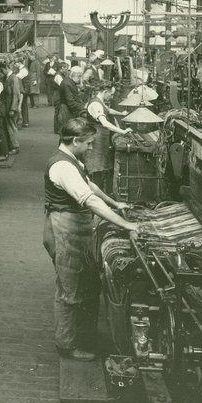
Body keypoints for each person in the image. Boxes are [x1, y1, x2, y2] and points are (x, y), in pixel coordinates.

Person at [44, 119, 140, 361]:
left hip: (76, 227)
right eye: (87, 144)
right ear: (74, 141)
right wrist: (126, 224)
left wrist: (115, 203)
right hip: (66, 229)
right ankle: (66, 346)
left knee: (80, 283)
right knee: (69, 290)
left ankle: (81, 337)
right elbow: (89, 199)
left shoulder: (71, 159)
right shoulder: (62, 167)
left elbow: (91, 186)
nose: (90, 148)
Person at [85, 83, 128, 193]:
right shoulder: (96, 104)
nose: (112, 97)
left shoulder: (99, 101)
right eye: (111, 94)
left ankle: (99, 192)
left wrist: (121, 114)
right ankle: (95, 192)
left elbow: (108, 110)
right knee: (96, 166)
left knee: (101, 164)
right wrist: (122, 131)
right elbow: (105, 123)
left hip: (101, 136)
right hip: (96, 137)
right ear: (105, 92)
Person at [52, 61, 86, 136]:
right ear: (74, 74)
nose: (80, 78)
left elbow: (74, 98)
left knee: (67, 132)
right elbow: (71, 102)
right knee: (66, 133)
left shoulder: (70, 81)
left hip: (67, 108)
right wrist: (84, 107)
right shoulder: (67, 84)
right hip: (65, 110)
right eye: (79, 76)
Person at [6, 61, 23, 145]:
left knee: (12, 127)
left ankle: (15, 145)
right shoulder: (9, 78)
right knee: (11, 127)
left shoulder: (13, 78)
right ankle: (13, 144)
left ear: (6, 68)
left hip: (11, 107)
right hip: (9, 107)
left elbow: (16, 94)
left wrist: (13, 108)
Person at [16, 59, 32, 126]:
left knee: (23, 104)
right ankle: (25, 121)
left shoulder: (23, 70)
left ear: (19, 63)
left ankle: (25, 122)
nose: (15, 64)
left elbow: (17, 77)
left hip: (24, 89)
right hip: (25, 88)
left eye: (16, 63)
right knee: (23, 104)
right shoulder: (22, 69)